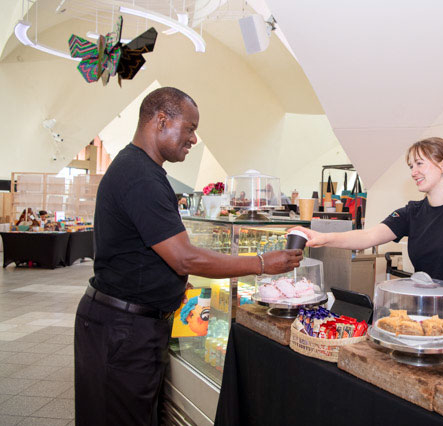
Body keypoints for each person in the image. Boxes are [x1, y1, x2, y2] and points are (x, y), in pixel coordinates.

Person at [74, 87, 302, 426]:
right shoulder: (140, 176)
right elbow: (184, 259)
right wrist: (261, 263)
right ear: (161, 121)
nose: (194, 139)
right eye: (190, 128)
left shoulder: (141, 169)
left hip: (130, 326)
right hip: (123, 330)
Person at [291, 137, 443, 318]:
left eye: (420, 163)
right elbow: (368, 236)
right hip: (429, 313)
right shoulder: (412, 213)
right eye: (411, 166)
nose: (413, 172)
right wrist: (323, 237)